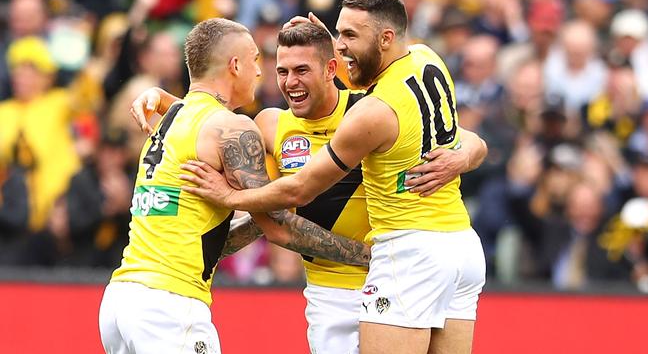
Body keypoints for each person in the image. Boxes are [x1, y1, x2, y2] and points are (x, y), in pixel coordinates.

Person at [131, 20, 487, 353]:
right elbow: (262, 207)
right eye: (282, 72)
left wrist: (462, 157)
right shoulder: (270, 125)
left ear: (331, 70)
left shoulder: (366, 111)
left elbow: (465, 138)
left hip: (391, 275)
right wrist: (166, 101)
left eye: (302, 70)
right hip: (328, 293)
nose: (290, 82)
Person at [98, 18, 373, 354]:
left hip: (121, 298)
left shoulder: (171, 118)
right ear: (235, 64)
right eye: (256, 60)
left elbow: (241, 226)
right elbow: (278, 227)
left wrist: (253, 202)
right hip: (169, 304)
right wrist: (366, 255)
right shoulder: (233, 128)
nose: (260, 72)